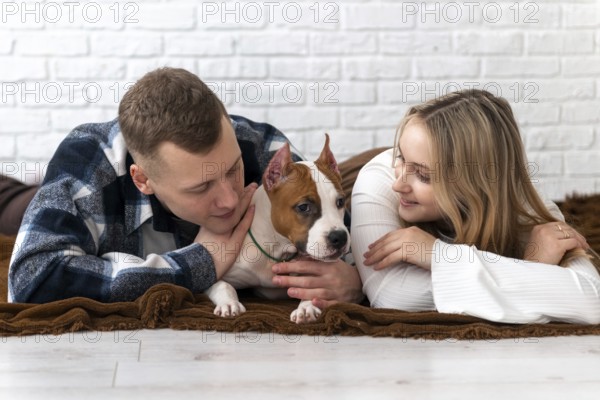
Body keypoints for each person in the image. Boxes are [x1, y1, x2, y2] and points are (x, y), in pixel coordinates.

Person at [8, 67, 363, 305]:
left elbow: (333, 227)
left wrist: (350, 279)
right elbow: (30, 280)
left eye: (233, 169)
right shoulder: (87, 161)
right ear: (142, 179)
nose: (229, 199)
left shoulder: (259, 144)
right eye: (201, 187)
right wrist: (201, 261)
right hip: (24, 207)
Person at [351, 89, 600, 324]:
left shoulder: (522, 203)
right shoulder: (381, 180)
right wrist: (534, 269)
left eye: (424, 176)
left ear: (474, 185)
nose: (399, 184)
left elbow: (592, 299)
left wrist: (436, 254)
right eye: (401, 158)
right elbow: (393, 297)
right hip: (344, 179)